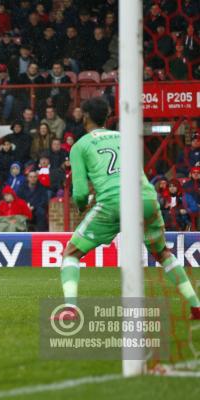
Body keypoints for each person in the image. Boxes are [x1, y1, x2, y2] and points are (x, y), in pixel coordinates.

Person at [57, 97, 200, 320]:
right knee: (162, 253)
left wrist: (82, 207)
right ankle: (196, 305)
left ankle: (70, 309)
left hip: (113, 202)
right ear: (107, 116)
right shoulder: (126, 138)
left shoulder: (80, 146)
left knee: (72, 253)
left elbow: (81, 193)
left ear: (85, 117)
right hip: (146, 198)